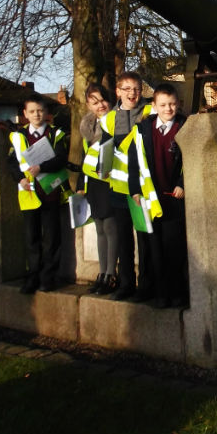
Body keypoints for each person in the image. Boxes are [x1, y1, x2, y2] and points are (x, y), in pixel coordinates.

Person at [126, 83, 189, 308]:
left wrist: (183, 183)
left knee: (175, 249)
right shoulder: (142, 130)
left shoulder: (185, 127)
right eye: (163, 105)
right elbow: (133, 163)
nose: (168, 109)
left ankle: (177, 293)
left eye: (172, 104)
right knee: (155, 250)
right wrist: (135, 190)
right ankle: (161, 294)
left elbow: (192, 160)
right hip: (151, 199)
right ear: (154, 105)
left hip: (174, 199)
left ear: (178, 104)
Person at [8, 93, 70, 294]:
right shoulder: (18, 136)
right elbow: (12, 163)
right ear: (25, 114)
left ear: (46, 112)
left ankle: (47, 277)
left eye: (40, 111)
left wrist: (41, 167)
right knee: (31, 238)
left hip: (50, 191)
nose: (36, 115)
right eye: (32, 111)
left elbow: (61, 158)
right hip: (29, 194)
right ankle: (32, 276)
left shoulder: (56, 133)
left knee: (51, 238)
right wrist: (20, 178)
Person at [100, 71, 152, 300]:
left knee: (145, 239)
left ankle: (146, 286)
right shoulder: (108, 119)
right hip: (119, 189)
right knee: (124, 241)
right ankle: (126, 284)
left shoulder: (150, 112)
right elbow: (104, 151)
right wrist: (102, 168)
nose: (132, 93)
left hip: (143, 189)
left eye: (136, 89)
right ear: (118, 91)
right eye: (127, 89)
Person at [76, 83, 120, 295]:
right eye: (94, 102)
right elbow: (85, 158)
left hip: (110, 180)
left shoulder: (117, 121)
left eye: (102, 100)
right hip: (93, 183)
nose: (100, 105)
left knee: (111, 228)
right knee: (100, 229)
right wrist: (80, 186)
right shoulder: (87, 127)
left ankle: (111, 274)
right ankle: (102, 273)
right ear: (88, 105)